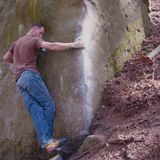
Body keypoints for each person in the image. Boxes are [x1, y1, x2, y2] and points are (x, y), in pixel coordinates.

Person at [3, 23, 84, 154]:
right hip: (30, 76)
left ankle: (46, 143)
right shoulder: (35, 40)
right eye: (41, 33)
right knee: (48, 105)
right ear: (34, 30)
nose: (41, 35)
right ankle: (48, 141)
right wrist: (73, 45)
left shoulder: (17, 42)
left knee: (36, 111)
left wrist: (18, 63)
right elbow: (51, 46)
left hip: (19, 80)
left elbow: (5, 58)